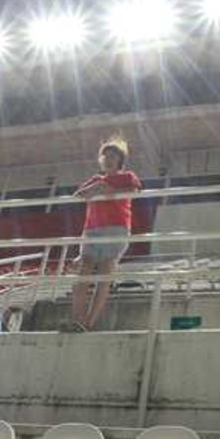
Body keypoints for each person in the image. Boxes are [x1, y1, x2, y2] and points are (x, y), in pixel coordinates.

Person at [69, 137, 141, 331]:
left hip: (116, 228)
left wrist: (107, 189)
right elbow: (78, 195)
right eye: (105, 156)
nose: (108, 159)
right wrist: (95, 188)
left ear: (120, 159)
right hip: (92, 228)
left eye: (113, 156)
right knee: (83, 271)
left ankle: (89, 322)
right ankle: (76, 319)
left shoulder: (127, 176)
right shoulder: (96, 179)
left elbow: (133, 192)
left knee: (104, 274)